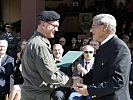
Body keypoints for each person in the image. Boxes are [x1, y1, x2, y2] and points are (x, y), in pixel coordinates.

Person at [74, 14, 132, 100]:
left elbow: (118, 80)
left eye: (93, 26)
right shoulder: (104, 46)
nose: (91, 30)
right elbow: (98, 71)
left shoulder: (119, 48)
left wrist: (91, 91)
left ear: (104, 27)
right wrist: (82, 79)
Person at [21, 11, 76, 100]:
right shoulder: (40, 45)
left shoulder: (33, 41)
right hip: (38, 95)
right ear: (43, 24)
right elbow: (50, 76)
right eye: (54, 26)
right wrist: (72, 81)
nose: (57, 30)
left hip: (31, 93)